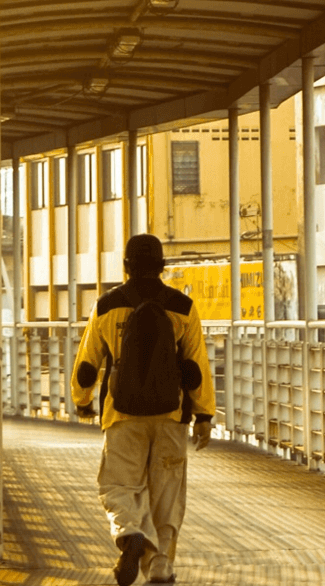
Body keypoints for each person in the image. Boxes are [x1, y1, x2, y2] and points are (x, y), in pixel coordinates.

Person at [72, 234, 214, 586]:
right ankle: (160, 567)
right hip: (171, 416)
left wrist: (82, 400)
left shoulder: (107, 306)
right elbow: (196, 367)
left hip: (122, 416)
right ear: (162, 266)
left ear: (126, 267)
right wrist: (204, 415)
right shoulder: (182, 307)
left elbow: (87, 364)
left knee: (118, 485)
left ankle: (129, 532)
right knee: (167, 495)